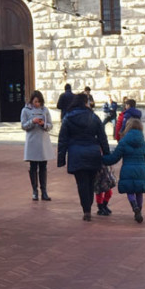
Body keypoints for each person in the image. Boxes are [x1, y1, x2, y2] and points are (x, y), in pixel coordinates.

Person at [56, 92, 109, 220]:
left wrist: (61, 158)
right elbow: (102, 137)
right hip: (93, 152)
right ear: (85, 103)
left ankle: (86, 209)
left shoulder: (68, 117)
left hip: (76, 153)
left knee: (81, 183)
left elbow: (62, 139)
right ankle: (88, 206)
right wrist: (106, 154)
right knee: (90, 182)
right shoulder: (94, 117)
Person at [102, 116, 145, 222]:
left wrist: (102, 159)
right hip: (142, 171)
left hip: (127, 170)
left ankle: (134, 206)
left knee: (130, 191)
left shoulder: (123, 142)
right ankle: (139, 209)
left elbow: (114, 158)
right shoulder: (144, 143)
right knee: (139, 192)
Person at [20, 91, 53, 201]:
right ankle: (35, 191)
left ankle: (44, 191)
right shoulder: (25, 110)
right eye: (35, 102)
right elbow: (23, 125)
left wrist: (43, 124)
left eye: (39, 102)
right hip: (32, 141)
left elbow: (50, 125)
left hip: (43, 141)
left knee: (43, 167)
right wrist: (32, 121)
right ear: (31, 101)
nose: (37, 104)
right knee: (33, 167)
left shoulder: (45, 110)